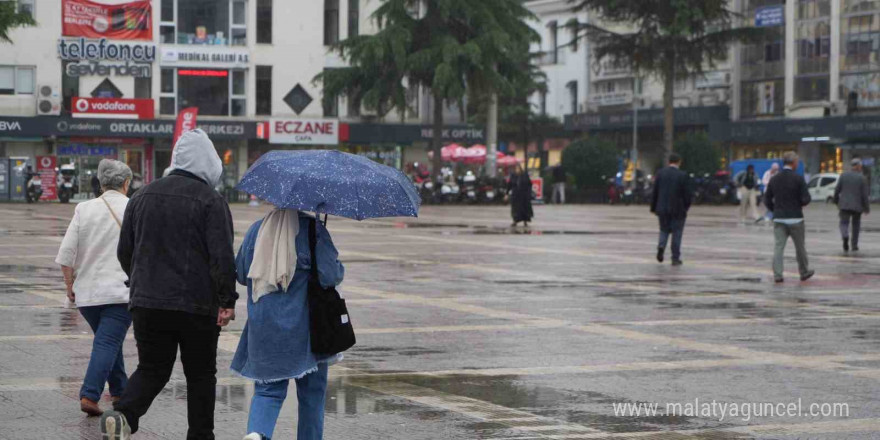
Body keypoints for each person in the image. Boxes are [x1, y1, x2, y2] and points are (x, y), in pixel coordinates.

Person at [100, 129, 238, 440]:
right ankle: (200, 436)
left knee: (152, 368)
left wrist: (141, 281)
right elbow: (222, 256)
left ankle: (123, 416)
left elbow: (125, 251)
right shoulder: (211, 201)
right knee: (201, 375)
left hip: (147, 303)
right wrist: (227, 300)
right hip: (197, 305)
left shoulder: (141, 196)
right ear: (209, 162)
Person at [232, 209, 345, 440]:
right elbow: (330, 276)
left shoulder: (257, 229)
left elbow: (242, 274)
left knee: (267, 391)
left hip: (264, 326)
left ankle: (257, 434)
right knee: (312, 395)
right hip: (307, 329)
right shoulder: (313, 230)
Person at [56, 159, 133, 417]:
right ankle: (90, 394)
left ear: (101, 184)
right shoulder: (134, 207)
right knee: (108, 341)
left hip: (88, 295)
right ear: (126, 183)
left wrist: (69, 285)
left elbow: (67, 253)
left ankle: (121, 391)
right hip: (121, 291)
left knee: (108, 340)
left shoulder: (84, 208)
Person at [764, 151, 814, 283]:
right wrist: (800, 203)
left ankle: (778, 275)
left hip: (779, 218)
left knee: (778, 247)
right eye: (797, 162)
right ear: (794, 163)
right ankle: (804, 272)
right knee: (800, 247)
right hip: (795, 218)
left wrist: (774, 210)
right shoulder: (798, 178)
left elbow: (767, 199)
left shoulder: (774, 179)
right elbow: (806, 198)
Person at [650, 153, 691, 266]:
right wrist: (685, 207)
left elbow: (655, 192)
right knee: (677, 233)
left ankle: (661, 246)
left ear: (669, 161)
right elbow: (687, 195)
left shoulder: (660, 173)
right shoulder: (683, 175)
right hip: (678, 209)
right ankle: (675, 258)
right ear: (679, 162)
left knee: (664, 230)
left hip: (662, 208)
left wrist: (654, 207)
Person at [834, 158, 871, 252]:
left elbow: (837, 190)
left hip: (844, 205)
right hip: (857, 206)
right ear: (858, 166)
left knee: (843, 223)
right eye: (860, 166)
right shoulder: (862, 178)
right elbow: (864, 195)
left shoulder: (843, 175)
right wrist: (866, 208)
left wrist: (836, 201)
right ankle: (854, 245)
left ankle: (845, 236)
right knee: (856, 226)